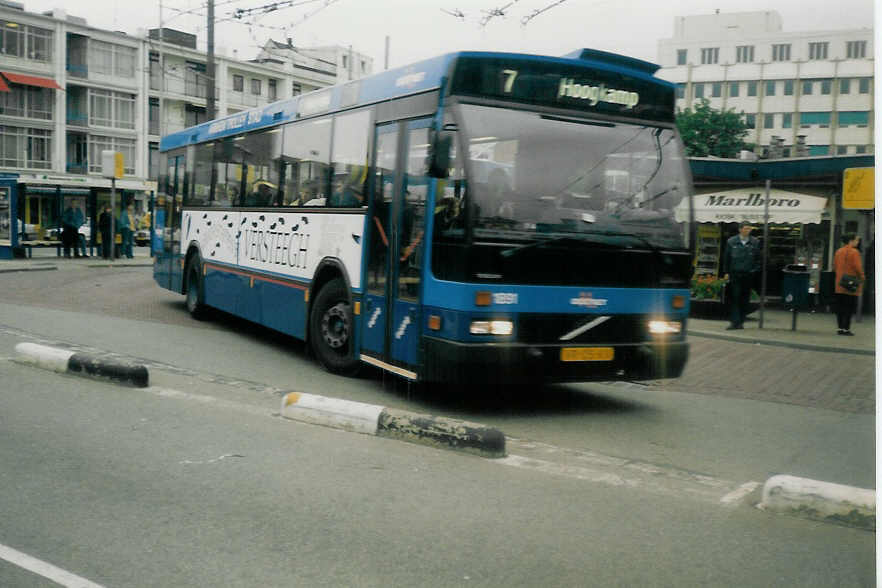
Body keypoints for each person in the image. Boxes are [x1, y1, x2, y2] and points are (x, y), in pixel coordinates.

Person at [722, 221, 762, 330]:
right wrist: (726, 272)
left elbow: (758, 258)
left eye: (749, 228)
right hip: (735, 273)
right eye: (746, 228)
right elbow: (727, 258)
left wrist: (754, 270)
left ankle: (741, 322)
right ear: (740, 229)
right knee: (735, 297)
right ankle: (734, 322)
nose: (748, 230)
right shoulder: (731, 242)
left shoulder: (755, 242)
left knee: (745, 298)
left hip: (748, 274)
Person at [833, 233, 865, 336]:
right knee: (849, 307)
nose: (858, 242)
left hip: (839, 284)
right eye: (857, 240)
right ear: (851, 241)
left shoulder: (838, 251)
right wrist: (862, 276)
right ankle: (846, 329)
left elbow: (835, 266)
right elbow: (858, 267)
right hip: (850, 284)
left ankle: (840, 328)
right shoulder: (855, 252)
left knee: (840, 307)